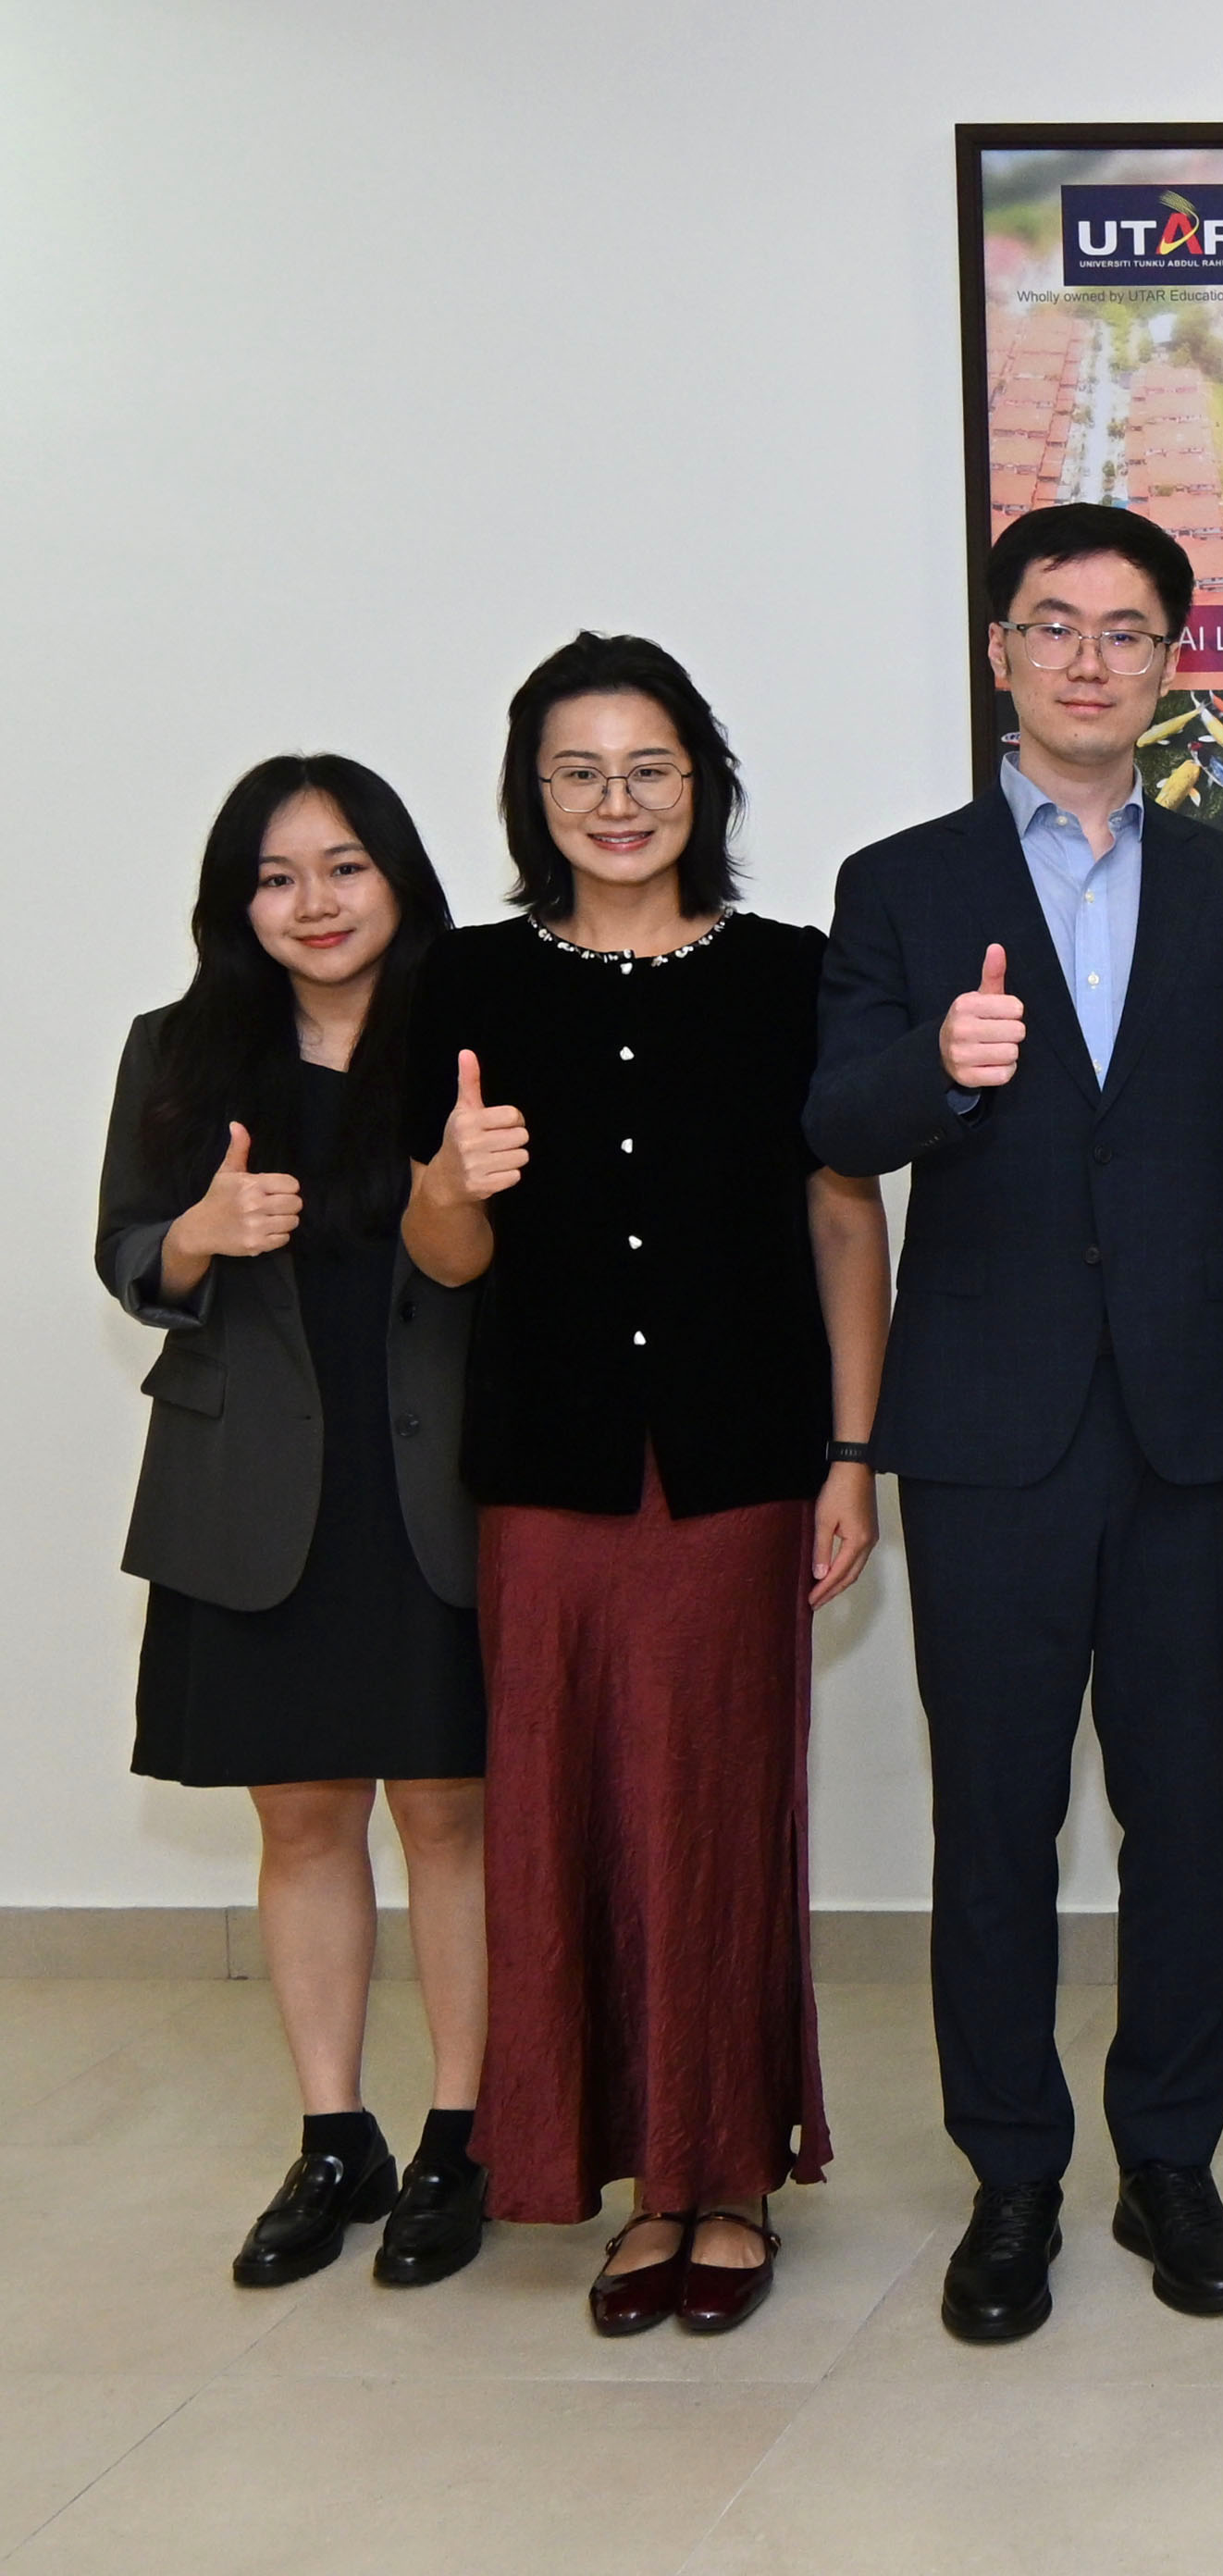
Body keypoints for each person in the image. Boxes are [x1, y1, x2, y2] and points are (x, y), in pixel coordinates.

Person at [809, 502, 1223, 2345]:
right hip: (986, 1431)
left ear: (1171, 660)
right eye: (1055, 626)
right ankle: (1012, 2176)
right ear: (1000, 653)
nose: (1091, 658)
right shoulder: (901, 883)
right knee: (997, 1824)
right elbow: (833, 1126)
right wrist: (932, 1078)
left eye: (1127, 629)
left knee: (1181, 1819)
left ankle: (1169, 2162)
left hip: (1193, 1426)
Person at [403, 635, 887, 2335]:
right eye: (580, 774)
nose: (619, 803)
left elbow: (844, 1220)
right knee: (569, 1823)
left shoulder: (789, 974)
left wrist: (852, 1454)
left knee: (720, 1815)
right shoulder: (463, 984)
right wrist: (454, 1185)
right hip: (547, 1474)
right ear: (535, 797)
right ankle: (631, 2182)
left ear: (705, 782)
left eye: (652, 768)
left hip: (741, 1466)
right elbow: (442, 1256)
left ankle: (729, 2176)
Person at [100, 756, 490, 2292]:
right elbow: (129, 1253)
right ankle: (337, 2136)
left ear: (398, 877)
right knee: (303, 1817)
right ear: (237, 901)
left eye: (343, 867)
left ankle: (464, 2128)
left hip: (439, 1482)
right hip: (254, 1490)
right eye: (276, 876)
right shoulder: (179, 1055)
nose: (313, 904)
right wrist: (197, 1235)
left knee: (451, 1817)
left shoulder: (471, 1044)